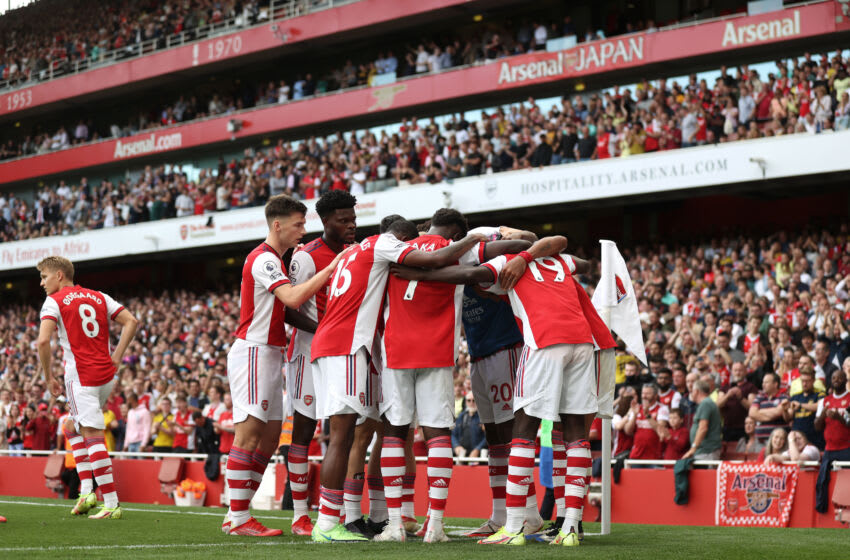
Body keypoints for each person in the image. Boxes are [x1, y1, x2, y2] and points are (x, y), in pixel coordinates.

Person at [393, 235, 607, 546]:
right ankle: (570, 528)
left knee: (522, 431)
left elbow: (469, 275)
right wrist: (534, 254)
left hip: (544, 341)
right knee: (576, 436)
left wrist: (421, 275)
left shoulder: (507, 262)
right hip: (583, 343)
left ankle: (515, 527)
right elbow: (583, 261)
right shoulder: (561, 260)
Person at [310, 217, 485, 543]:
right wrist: (484, 236)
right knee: (430, 435)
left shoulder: (361, 251)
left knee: (388, 433)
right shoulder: (399, 247)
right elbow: (480, 262)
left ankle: (390, 521)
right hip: (407, 349)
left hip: (386, 350)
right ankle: (430, 523)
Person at [377, 210, 533, 544]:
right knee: (440, 436)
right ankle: (436, 524)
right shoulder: (459, 247)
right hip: (440, 352)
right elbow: (522, 245)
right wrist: (495, 238)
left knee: (395, 432)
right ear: (456, 232)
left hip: (397, 350)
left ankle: (394, 523)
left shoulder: (395, 248)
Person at [222, 194, 347, 537]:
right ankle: (239, 517)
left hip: (270, 352)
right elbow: (292, 299)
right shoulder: (263, 259)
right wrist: (331, 269)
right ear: (277, 225)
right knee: (248, 436)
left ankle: (236, 511)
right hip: (253, 351)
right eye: (298, 224)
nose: (303, 230)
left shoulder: (273, 258)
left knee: (270, 438)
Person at [36, 256, 138, 519]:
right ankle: (87, 491)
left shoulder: (54, 301)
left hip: (80, 377)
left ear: (59, 275)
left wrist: (49, 378)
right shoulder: (99, 296)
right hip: (106, 375)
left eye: (44, 277)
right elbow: (131, 321)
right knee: (71, 426)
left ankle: (111, 503)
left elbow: (43, 342)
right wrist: (117, 357)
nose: (41, 283)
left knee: (92, 434)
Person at [285, 190, 355, 537]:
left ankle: (339, 512)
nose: (351, 226)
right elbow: (289, 309)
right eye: (343, 220)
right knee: (304, 431)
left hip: (343, 353)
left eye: (353, 219)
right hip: (308, 353)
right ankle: (300, 514)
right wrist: (324, 328)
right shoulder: (308, 256)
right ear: (326, 222)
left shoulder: (355, 253)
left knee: (346, 430)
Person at [814, 368, 850, 513]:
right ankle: (822, 510)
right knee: (822, 481)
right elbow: (817, 426)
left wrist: (839, 418)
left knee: (848, 479)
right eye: (834, 378)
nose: (836, 381)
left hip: (846, 446)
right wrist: (822, 415)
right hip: (829, 448)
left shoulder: (849, 399)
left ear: (846, 381)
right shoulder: (824, 401)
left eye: (840, 378)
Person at [625, 384, 670, 460]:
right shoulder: (637, 408)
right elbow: (628, 431)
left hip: (655, 457)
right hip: (636, 455)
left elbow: (661, 430)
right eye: (643, 393)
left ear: (656, 395)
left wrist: (648, 416)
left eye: (647, 393)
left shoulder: (662, 408)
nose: (644, 396)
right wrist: (635, 415)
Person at [784, 366, 825, 449]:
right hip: (797, 440)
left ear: (813, 380)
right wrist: (784, 410)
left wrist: (801, 405)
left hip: (815, 439)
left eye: (807, 381)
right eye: (802, 381)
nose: (804, 384)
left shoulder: (820, 394)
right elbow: (788, 418)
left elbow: (819, 406)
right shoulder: (795, 397)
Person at [717, 362, 758, 442]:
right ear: (732, 372)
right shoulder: (725, 387)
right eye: (735, 370)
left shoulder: (750, 387)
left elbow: (752, 408)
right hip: (727, 427)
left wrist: (740, 397)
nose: (738, 373)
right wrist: (728, 395)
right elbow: (717, 405)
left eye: (740, 370)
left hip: (744, 427)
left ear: (745, 372)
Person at [682, 380, 723, 460]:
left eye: (692, 391)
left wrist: (693, 448)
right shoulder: (707, 403)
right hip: (704, 451)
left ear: (696, 391)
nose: (691, 394)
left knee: (705, 472)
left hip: (706, 451)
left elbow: (702, 428)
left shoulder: (705, 403)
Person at [749, 372, 789, 442]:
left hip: (778, 441)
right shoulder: (760, 397)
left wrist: (759, 411)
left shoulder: (784, 398)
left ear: (775, 384)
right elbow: (752, 413)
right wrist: (770, 415)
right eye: (763, 382)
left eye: (766, 382)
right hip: (760, 440)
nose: (763, 385)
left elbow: (777, 412)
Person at [452, 392, 486, 458]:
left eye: (474, 400)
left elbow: (488, 437)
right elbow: (453, 434)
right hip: (461, 455)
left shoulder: (484, 417)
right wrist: (456, 446)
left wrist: (478, 449)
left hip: (478, 457)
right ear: (466, 402)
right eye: (469, 400)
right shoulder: (461, 416)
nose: (471, 403)